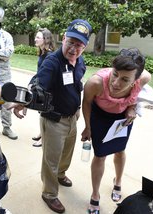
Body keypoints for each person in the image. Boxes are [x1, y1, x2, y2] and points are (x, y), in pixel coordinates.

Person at [11, 19, 92, 213]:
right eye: (71, 42)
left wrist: (78, 106)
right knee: (51, 159)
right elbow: (37, 83)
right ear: (63, 38)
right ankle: (49, 193)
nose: (74, 48)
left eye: (79, 44)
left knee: (66, 154)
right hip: (54, 120)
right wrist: (24, 100)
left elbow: (76, 85)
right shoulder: (52, 61)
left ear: (85, 46)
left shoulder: (80, 62)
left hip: (72, 117)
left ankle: (61, 174)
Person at [81, 48, 151, 213]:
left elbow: (136, 96)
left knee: (120, 151)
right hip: (99, 118)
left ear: (136, 80)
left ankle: (117, 181)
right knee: (100, 155)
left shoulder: (143, 78)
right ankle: (95, 194)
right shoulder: (96, 83)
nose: (116, 82)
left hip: (122, 119)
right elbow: (86, 103)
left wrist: (132, 108)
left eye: (125, 79)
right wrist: (87, 127)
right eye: (115, 74)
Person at [0, 28, 18, 140]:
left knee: (7, 102)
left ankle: (7, 127)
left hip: (3, 75)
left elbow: (8, 53)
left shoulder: (6, 36)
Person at [32, 27, 55, 147]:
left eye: (38, 37)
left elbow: (45, 74)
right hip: (41, 85)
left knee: (45, 113)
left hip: (46, 89)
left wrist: (34, 83)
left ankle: (44, 138)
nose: (35, 39)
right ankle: (41, 133)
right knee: (41, 112)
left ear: (45, 39)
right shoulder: (42, 53)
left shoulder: (49, 55)